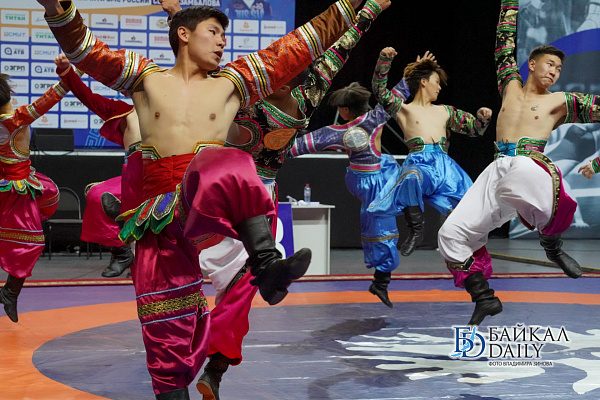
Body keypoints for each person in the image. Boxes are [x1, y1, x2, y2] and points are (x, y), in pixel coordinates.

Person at [36, 0, 375, 398]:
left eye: (224, 35)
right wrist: (56, 8)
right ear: (183, 34)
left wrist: (356, 5)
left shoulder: (233, 83)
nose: (222, 42)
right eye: (213, 32)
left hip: (208, 204)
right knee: (164, 330)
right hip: (157, 215)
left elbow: (302, 44)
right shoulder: (144, 78)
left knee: (227, 162)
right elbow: (86, 50)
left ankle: (266, 264)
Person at [188, 1, 389, 398]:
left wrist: (369, 11)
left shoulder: (304, 92)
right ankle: (195, 342)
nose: (280, 73)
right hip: (219, 190)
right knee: (194, 276)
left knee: (240, 290)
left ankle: (215, 368)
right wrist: (177, 17)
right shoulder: (242, 91)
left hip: (257, 199)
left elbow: (340, 49)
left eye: (288, 68)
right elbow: (192, 70)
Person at [437, 0, 596, 327]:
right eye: (550, 64)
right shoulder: (509, 85)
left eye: (559, 69)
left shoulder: (561, 102)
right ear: (532, 64)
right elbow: (503, 43)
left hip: (530, 168)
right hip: (496, 172)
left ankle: (551, 246)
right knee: (449, 233)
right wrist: (509, 2)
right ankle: (484, 297)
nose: (554, 72)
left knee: (520, 168)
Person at [288, 78, 409, 308]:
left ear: (345, 110)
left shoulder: (340, 131)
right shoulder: (375, 118)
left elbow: (304, 144)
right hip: (371, 180)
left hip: (370, 178)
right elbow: (395, 96)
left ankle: (382, 280)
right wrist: (409, 78)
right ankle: (382, 280)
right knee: (382, 228)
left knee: (381, 226)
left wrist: (274, 150)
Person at [368, 47, 492, 258]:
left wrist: (483, 118)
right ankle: (416, 230)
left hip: (446, 167)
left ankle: (467, 254)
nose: (439, 87)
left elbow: (475, 130)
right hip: (420, 163)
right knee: (410, 177)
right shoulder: (404, 109)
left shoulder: (445, 111)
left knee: (468, 207)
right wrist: (384, 61)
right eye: (437, 82)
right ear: (424, 82)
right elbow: (379, 91)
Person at [53, 53, 139, 278]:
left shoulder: (171, 110)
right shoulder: (123, 111)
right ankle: (121, 252)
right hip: (134, 178)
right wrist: (67, 71)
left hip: (167, 176)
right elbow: (86, 96)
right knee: (97, 194)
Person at [0, 73, 66, 323]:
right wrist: (73, 74)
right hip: (17, 192)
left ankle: (10, 292)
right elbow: (51, 97)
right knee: (30, 243)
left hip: (8, 187)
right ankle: (10, 292)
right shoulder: (17, 119)